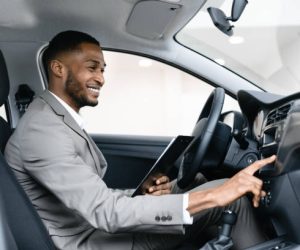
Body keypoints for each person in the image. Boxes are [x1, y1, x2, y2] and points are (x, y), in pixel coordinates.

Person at [4, 30, 276, 250]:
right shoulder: (42, 131)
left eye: (103, 70)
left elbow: (88, 196)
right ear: (58, 68)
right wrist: (218, 195)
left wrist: (139, 195)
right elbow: (105, 212)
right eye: (92, 68)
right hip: (94, 243)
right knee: (231, 198)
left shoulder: (52, 118)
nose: (100, 78)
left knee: (200, 183)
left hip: (96, 229)